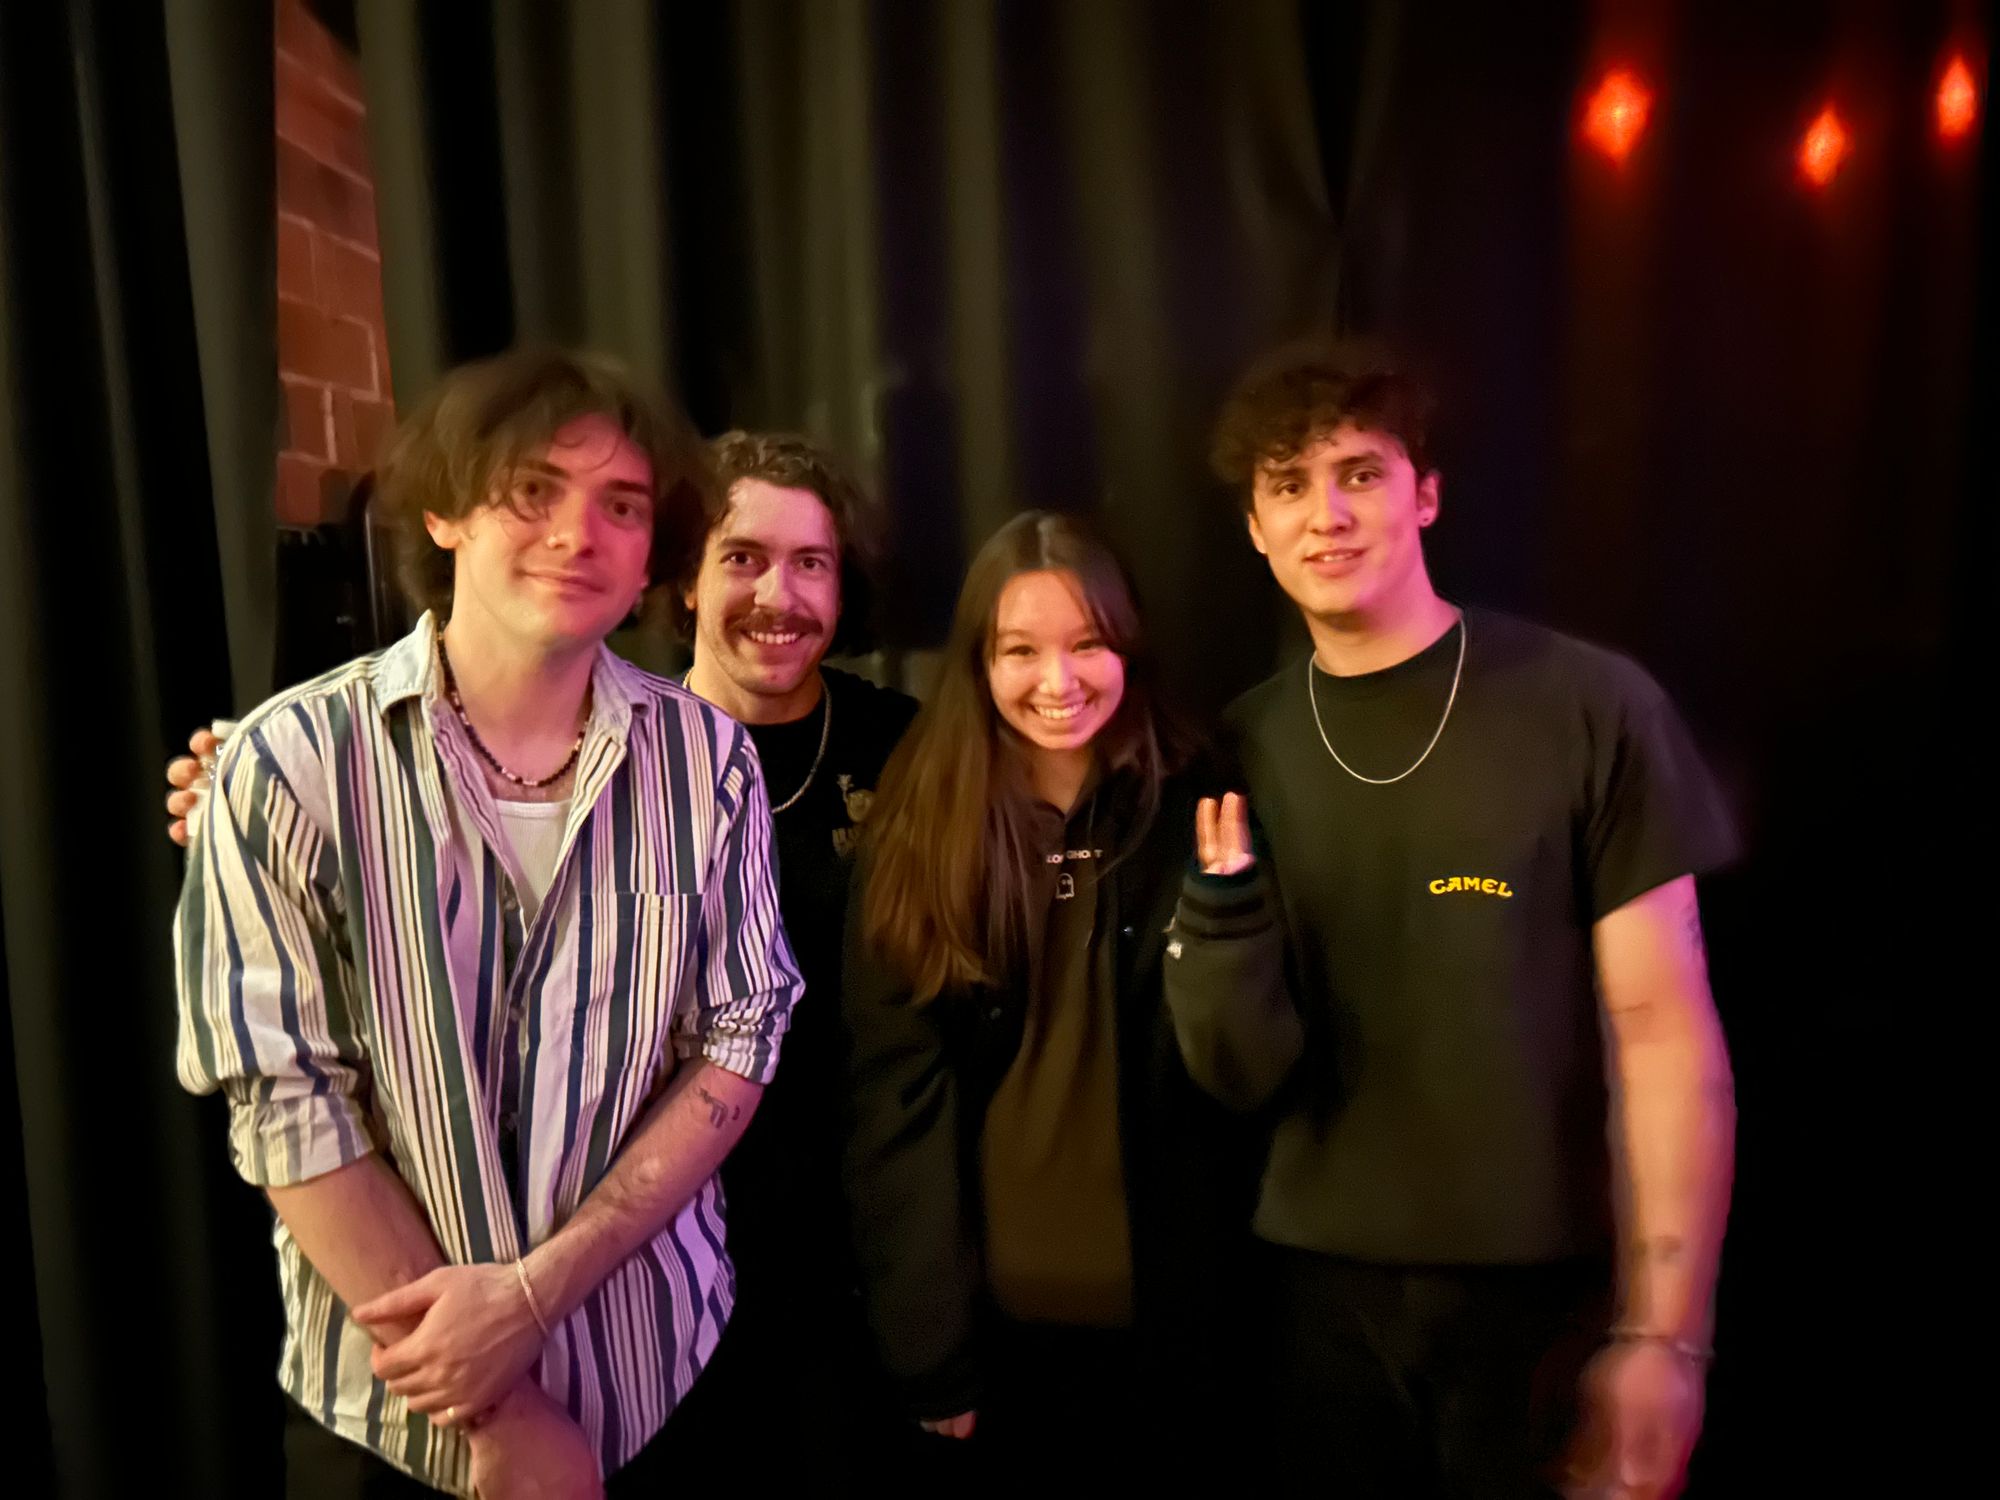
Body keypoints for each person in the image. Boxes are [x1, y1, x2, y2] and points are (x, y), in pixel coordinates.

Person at [174, 347, 801, 1497]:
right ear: (447, 511)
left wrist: (533, 1294)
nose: (578, 533)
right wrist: (501, 1412)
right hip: (396, 1415)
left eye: (621, 505)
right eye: (533, 491)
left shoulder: (705, 760)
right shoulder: (289, 762)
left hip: (659, 1369)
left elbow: (741, 1034)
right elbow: (284, 1096)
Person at [1164, 343, 1738, 1498]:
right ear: (1253, 528)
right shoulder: (1236, 748)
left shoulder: (1587, 707)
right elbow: (1228, 1065)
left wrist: (1663, 1336)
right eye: (1287, 485)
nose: (1324, 514)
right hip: (1312, 1301)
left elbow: (1665, 1038)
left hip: (1546, 1304)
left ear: (1424, 493)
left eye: (1358, 475)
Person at [841, 511, 1264, 1491]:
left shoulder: (1198, 793)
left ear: (1128, 647)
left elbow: (1248, 1067)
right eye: (1020, 651)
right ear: (978, 665)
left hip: (1182, 1331)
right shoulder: (922, 823)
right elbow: (891, 1099)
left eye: (1086, 645)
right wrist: (927, 1343)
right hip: (997, 1345)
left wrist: (1228, 918)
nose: (1057, 682)